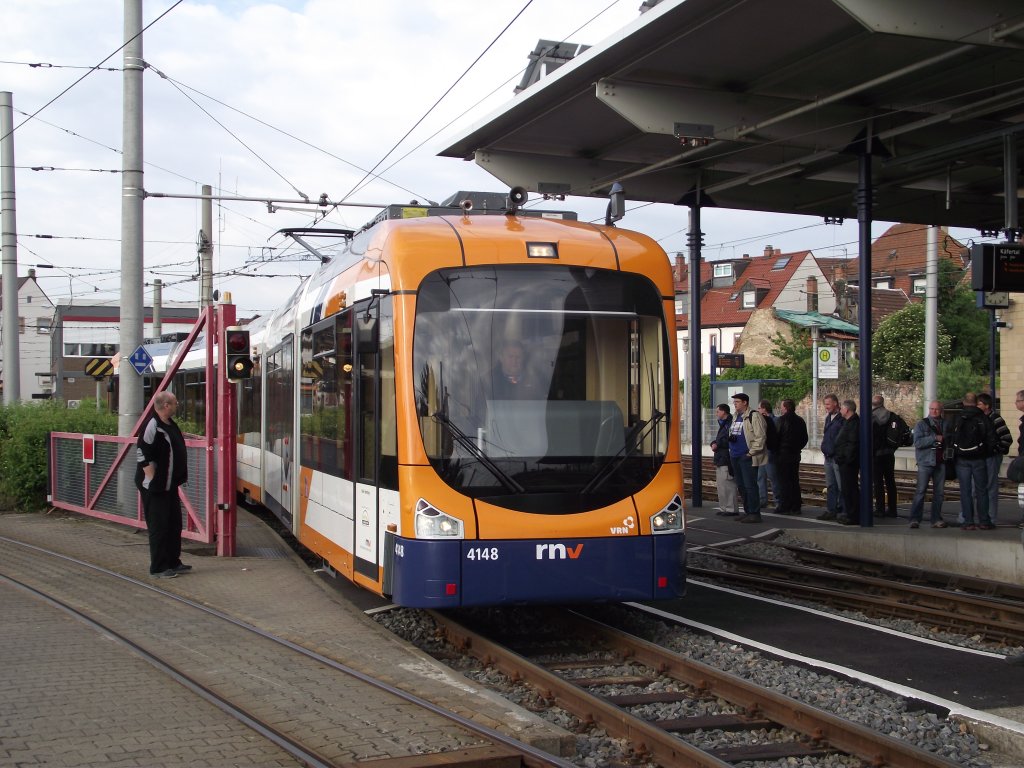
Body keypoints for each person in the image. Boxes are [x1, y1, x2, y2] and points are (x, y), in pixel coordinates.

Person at [135, 391, 191, 579]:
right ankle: (158, 567)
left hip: (169, 485)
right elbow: (142, 452)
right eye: (175, 403)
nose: (177, 405)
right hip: (156, 487)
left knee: (174, 524)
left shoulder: (169, 423)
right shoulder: (152, 424)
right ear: (166, 405)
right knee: (159, 526)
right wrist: (152, 477)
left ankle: (173, 561)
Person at [948, 392, 996, 531]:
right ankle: (984, 521)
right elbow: (992, 438)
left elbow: (949, 437)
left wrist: (954, 454)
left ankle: (968, 521)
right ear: (976, 403)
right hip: (979, 458)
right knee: (982, 490)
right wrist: (985, 452)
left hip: (961, 459)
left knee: (965, 491)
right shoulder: (983, 418)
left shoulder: (957, 418)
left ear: (964, 402)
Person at [908, 401, 948, 529]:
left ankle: (936, 519)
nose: (934, 411)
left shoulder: (946, 424)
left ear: (941, 410)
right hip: (925, 462)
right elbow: (917, 443)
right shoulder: (921, 424)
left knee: (939, 493)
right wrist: (934, 438)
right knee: (921, 491)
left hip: (941, 462)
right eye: (932, 409)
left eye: (936, 409)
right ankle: (915, 519)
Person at [728, 393, 767, 524]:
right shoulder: (735, 416)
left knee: (750, 485)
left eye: (737, 402)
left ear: (745, 402)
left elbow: (760, 436)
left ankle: (754, 513)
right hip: (735, 455)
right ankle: (748, 511)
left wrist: (751, 453)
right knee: (741, 485)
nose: (735, 404)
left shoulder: (754, 416)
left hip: (746, 456)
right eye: (734, 402)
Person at [977, 392, 1012, 524]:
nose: (977, 406)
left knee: (991, 487)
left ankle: (991, 517)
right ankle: (982, 516)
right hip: (981, 457)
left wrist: (995, 450)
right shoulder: (979, 418)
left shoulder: (996, 419)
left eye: (979, 404)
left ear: (987, 406)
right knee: (980, 487)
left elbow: (1007, 438)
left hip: (992, 457)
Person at [870, 395, 903, 518]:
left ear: (872, 404)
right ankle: (893, 509)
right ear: (882, 403)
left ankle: (880, 509)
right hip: (889, 453)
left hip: (876, 454)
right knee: (890, 482)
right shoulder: (892, 416)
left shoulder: (870, 417)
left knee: (878, 482)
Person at [774, 398, 808, 515]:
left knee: (783, 481)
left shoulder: (781, 420)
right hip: (795, 455)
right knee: (794, 480)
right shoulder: (800, 421)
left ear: (785, 408)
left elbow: (776, 437)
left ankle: (785, 506)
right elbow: (805, 438)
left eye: (782, 407)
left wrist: (776, 450)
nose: (781, 409)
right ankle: (796, 506)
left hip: (782, 455)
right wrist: (797, 448)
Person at [817, 393, 844, 521]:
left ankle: (843, 510)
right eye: (825, 404)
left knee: (841, 486)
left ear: (835, 403)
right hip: (828, 456)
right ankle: (831, 510)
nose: (826, 407)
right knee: (831, 485)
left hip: (836, 457)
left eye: (828, 404)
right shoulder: (828, 418)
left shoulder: (842, 418)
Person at [833, 399, 860, 525]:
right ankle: (850, 513)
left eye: (842, 408)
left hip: (848, 463)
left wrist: (844, 459)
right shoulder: (848, 422)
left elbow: (852, 443)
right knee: (847, 489)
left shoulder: (853, 423)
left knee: (850, 489)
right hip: (845, 461)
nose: (840, 410)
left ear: (847, 410)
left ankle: (853, 515)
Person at [710, 403, 740, 516]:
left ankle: (731, 508)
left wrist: (717, 444)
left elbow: (732, 439)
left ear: (723, 412)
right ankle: (724, 508)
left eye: (718, 411)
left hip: (726, 458)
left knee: (728, 484)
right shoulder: (724, 424)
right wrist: (714, 443)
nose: (716, 414)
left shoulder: (730, 424)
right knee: (722, 485)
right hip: (721, 458)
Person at [757, 399, 780, 511]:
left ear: (764, 409)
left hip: (770, 453)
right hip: (762, 453)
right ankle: (762, 500)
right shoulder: (760, 420)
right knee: (760, 477)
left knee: (773, 478)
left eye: (759, 408)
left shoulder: (775, 420)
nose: (758, 410)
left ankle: (778, 501)